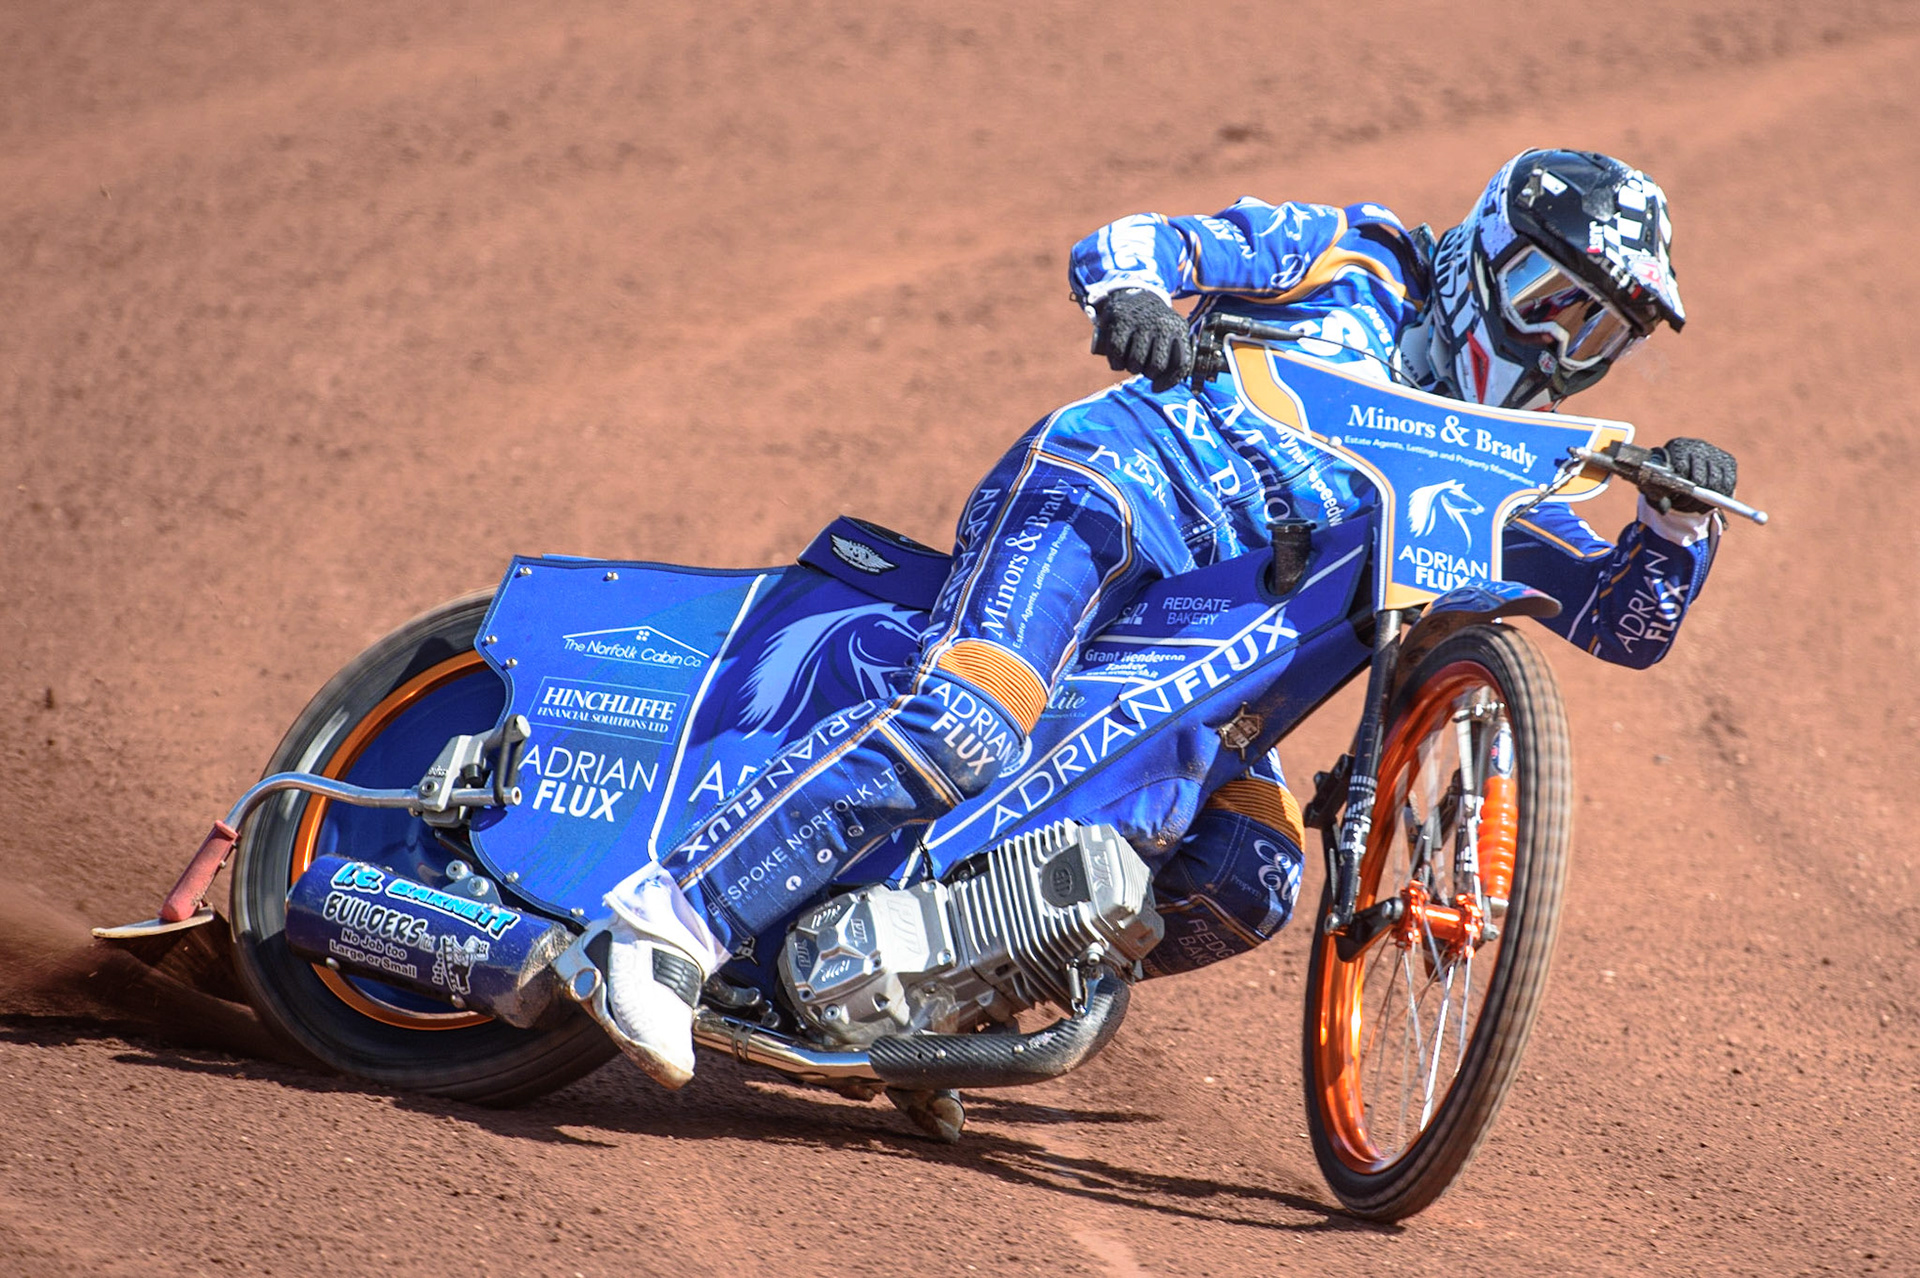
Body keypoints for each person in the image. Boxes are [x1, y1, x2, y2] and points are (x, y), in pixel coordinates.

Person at [585, 148, 1741, 1088]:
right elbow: (1146, 243)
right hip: (1107, 493)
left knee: (1252, 873)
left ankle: (938, 989)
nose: (1558, 350)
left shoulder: (1498, 481)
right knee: (971, 722)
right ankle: (665, 922)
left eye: (1599, 336)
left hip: (1208, 654)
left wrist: (1680, 522)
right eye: (1552, 306)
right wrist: (1132, 301)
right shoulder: (1362, 257)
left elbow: (1627, 623)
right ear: (1488, 255)